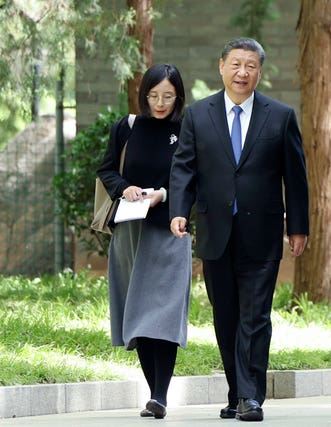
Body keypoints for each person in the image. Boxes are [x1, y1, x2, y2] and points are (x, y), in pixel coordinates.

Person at [169, 38, 309, 422]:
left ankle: (251, 397)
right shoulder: (198, 115)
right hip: (215, 232)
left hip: (262, 235)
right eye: (236, 64)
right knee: (226, 317)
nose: (242, 72)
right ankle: (237, 392)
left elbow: (295, 178)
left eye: (250, 66)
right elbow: (184, 167)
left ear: (259, 72)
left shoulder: (279, 116)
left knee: (256, 317)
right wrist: (178, 210)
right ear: (221, 67)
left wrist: (298, 227)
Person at [96, 64, 191, 419]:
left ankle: (161, 395)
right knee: (136, 314)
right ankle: (154, 393)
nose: (160, 103)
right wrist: (126, 188)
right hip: (130, 231)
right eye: (153, 96)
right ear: (144, 95)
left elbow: (192, 177)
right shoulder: (127, 127)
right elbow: (107, 170)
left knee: (163, 314)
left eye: (168, 96)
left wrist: (163, 194)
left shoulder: (185, 130)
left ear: (178, 96)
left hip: (169, 230)